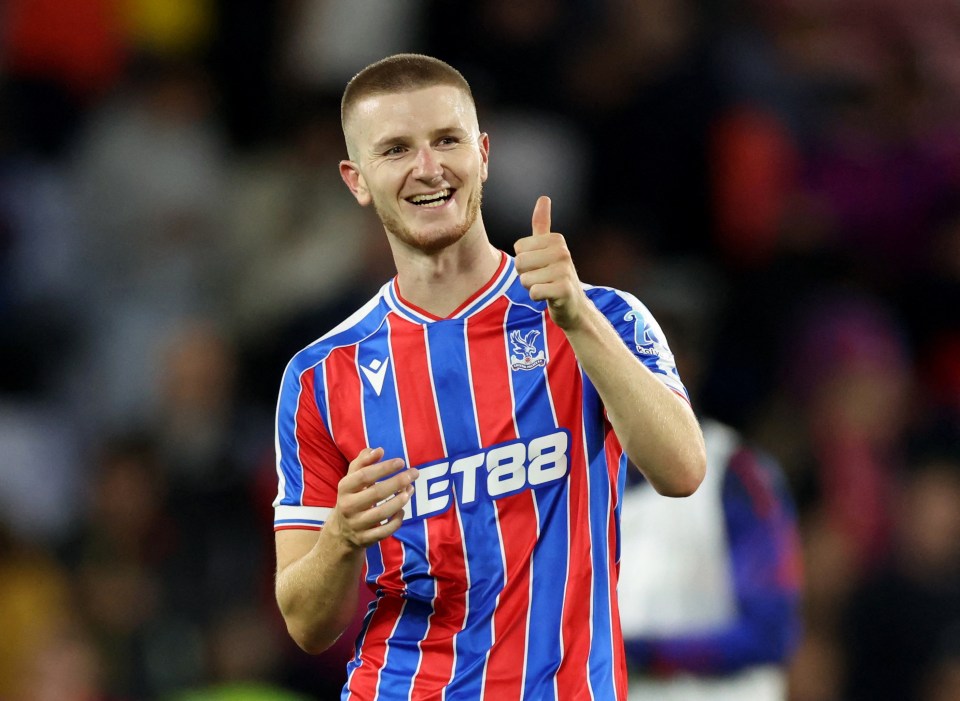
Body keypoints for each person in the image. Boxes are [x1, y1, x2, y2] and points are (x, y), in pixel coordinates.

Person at [271, 53, 706, 701]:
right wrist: (342, 533)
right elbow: (308, 624)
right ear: (356, 179)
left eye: (446, 140)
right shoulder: (321, 376)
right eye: (395, 149)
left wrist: (576, 318)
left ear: (483, 151)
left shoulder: (601, 315)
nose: (428, 168)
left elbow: (682, 470)